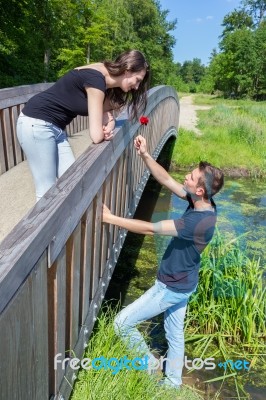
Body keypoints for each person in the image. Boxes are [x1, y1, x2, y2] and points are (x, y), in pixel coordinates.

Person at [102, 134, 224, 389]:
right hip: (186, 283)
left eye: (190, 177)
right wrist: (146, 155)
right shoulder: (204, 204)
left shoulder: (195, 222)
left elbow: (150, 228)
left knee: (122, 324)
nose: (186, 178)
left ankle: (148, 368)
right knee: (175, 335)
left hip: (170, 286)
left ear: (200, 189)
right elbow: (166, 179)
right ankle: (173, 384)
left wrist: (111, 219)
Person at [16, 50, 150, 201]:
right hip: (36, 123)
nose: (137, 87)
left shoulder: (105, 81)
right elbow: (96, 135)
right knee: (46, 190)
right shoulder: (96, 81)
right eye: (138, 80)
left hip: (57, 128)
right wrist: (102, 132)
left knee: (72, 182)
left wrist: (108, 127)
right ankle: (40, 225)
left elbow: (107, 117)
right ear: (127, 71)